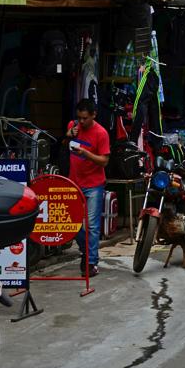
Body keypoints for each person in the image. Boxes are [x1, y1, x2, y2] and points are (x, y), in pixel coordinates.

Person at [66, 98, 110, 277]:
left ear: (94, 115)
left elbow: (104, 161)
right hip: (73, 182)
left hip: (94, 185)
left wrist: (86, 154)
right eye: (79, 118)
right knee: (70, 223)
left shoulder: (101, 133)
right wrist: (69, 134)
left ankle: (91, 262)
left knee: (92, 225)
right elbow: (64, 144)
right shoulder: (73, 126)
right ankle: (86, 249)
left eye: (85, 118)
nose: (81, 122)